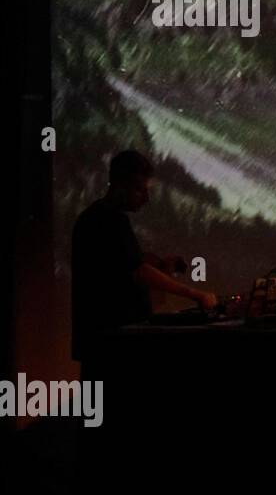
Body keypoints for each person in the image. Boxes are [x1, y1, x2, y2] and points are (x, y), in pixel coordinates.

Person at [71, 149, 216, 375]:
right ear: (119, 185)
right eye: (140, 189)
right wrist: (195, 294)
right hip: (111, 342)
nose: (146, 198)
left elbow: (116, 267)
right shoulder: (110, 220)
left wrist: (159, 267)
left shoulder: (95, 217)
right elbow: (137, 271)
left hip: (102, 340)